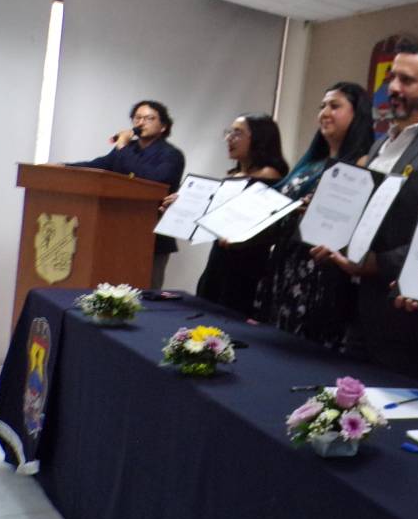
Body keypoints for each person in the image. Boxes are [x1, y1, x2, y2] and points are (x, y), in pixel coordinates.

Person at [313, 42, 418, 386]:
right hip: (360, 312)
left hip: (409, 326)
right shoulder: (382, 145)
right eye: (392, 79)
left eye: (406, 80)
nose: (393, 88)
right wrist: (335, 238)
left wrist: (376, 263)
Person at [254, 82, 374, 348]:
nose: (324, 113)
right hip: (287, 265)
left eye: (335, 106)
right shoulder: (311, 162)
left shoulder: (362, 163)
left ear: (358, 115)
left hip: (321, 273)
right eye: (322, 106)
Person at [70, 99, 185, 289]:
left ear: (163, 126)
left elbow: (153, 179)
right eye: (137, 118)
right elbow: (98, 166)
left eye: (149, 118)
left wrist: (122, 147)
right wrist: (64, 166)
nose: (141, 123)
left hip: (153, 236)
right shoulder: (129, 149)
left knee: (146, 292)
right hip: (118, 233)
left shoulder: (171, 155)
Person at [191, 114, 290, 316]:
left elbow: (264, 225)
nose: (229, 138)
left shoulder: (269, 175)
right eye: (228, 133)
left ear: (259, 139)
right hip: (219, 259)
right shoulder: (232, 176)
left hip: (246, 263)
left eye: (237, 133)